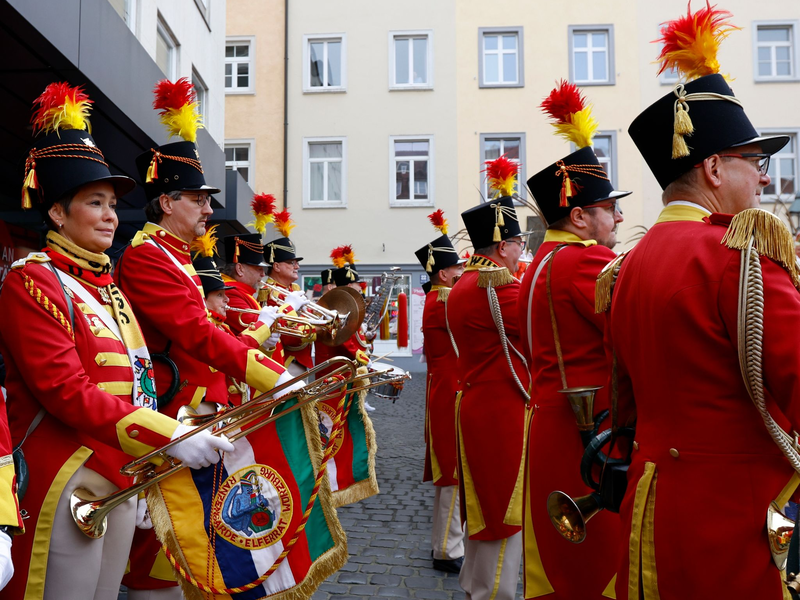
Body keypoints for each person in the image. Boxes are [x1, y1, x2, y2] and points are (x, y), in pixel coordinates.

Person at [0, 82, 231, 600]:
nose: (110, 215)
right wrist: (168, 439)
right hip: (64, 474)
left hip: (123, 468)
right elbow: (65, 390)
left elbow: (141, 380)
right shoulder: (31, 279)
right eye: (95, 202)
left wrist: (153, 461)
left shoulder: (105, 285)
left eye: (111, 203)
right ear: (58, 213)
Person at [603, 5, 795, 598]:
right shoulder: (739, 256)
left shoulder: (625, 265)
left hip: (653, 504)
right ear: (713, 166)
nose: (763, 179)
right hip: (733, 519)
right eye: (755, 163)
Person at [115, 78, 304, 599]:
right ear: (166, 202)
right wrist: (273, 375)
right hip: (176, 420)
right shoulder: (146, 257)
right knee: (165, 557)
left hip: (205, 416)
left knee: (201, 550)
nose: (206, 209)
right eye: (197, 198)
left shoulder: (177, 258)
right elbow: (195, 332)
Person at [517, 81, 630, 599]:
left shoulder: (540, 262)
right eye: (610, 207)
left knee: (556, 569)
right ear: (579, 215)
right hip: (592, 436)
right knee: (595, 572)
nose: (620, 218)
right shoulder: (588, 260)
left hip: (549, 425)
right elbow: (637, 334)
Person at [447, 193, 531, 600]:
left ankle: (476, 586)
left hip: (481, 404)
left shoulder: (466, 281)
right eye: (519, 245)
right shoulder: (496, 288)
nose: (521, 253)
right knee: (503, 510)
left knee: (482, 508)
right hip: (502, 410)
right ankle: (492, 592)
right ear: (503, 246)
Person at [414, 210, 466, 573]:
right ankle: (448, 549)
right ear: (444, 273)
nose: (463, 272)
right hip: (450, 391)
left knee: (452, 471)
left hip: (445, 387)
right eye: (458, 268)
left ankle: (443, 543)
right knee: (452, 471)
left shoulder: (440, 297)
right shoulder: (446, 299)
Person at [262, 210, 314, 377]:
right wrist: (314, 329)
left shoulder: (294, 290)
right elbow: (284, 334)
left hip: (301, 360)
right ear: (276, 266)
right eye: (291, 263)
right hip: (284, 362)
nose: (297, 267)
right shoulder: (268, 293)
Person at [219, 231, 268, 336]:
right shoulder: (229, 292)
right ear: (240, 269)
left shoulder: (242, 291)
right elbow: (254, 324)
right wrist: (288, 308)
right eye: (258, 269)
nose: (263, 274)